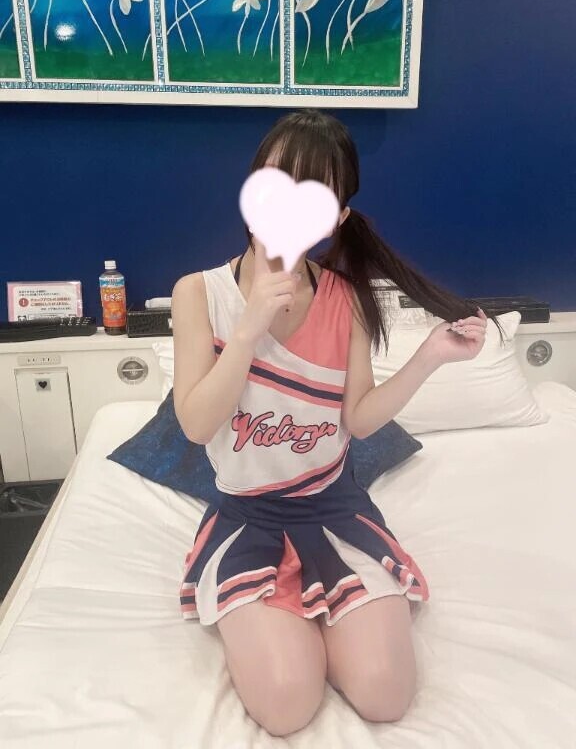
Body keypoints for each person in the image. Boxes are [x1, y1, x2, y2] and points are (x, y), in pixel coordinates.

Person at [171, 109, 489, 737]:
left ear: (337, 217)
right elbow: (196, 426)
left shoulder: (348, 298)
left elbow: (359, 422)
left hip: (335, 509)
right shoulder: (199, 293)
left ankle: (329, 615)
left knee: (385, 694)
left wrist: (430, 357)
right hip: (248, 518)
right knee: (288, 704)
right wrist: (248, 330)